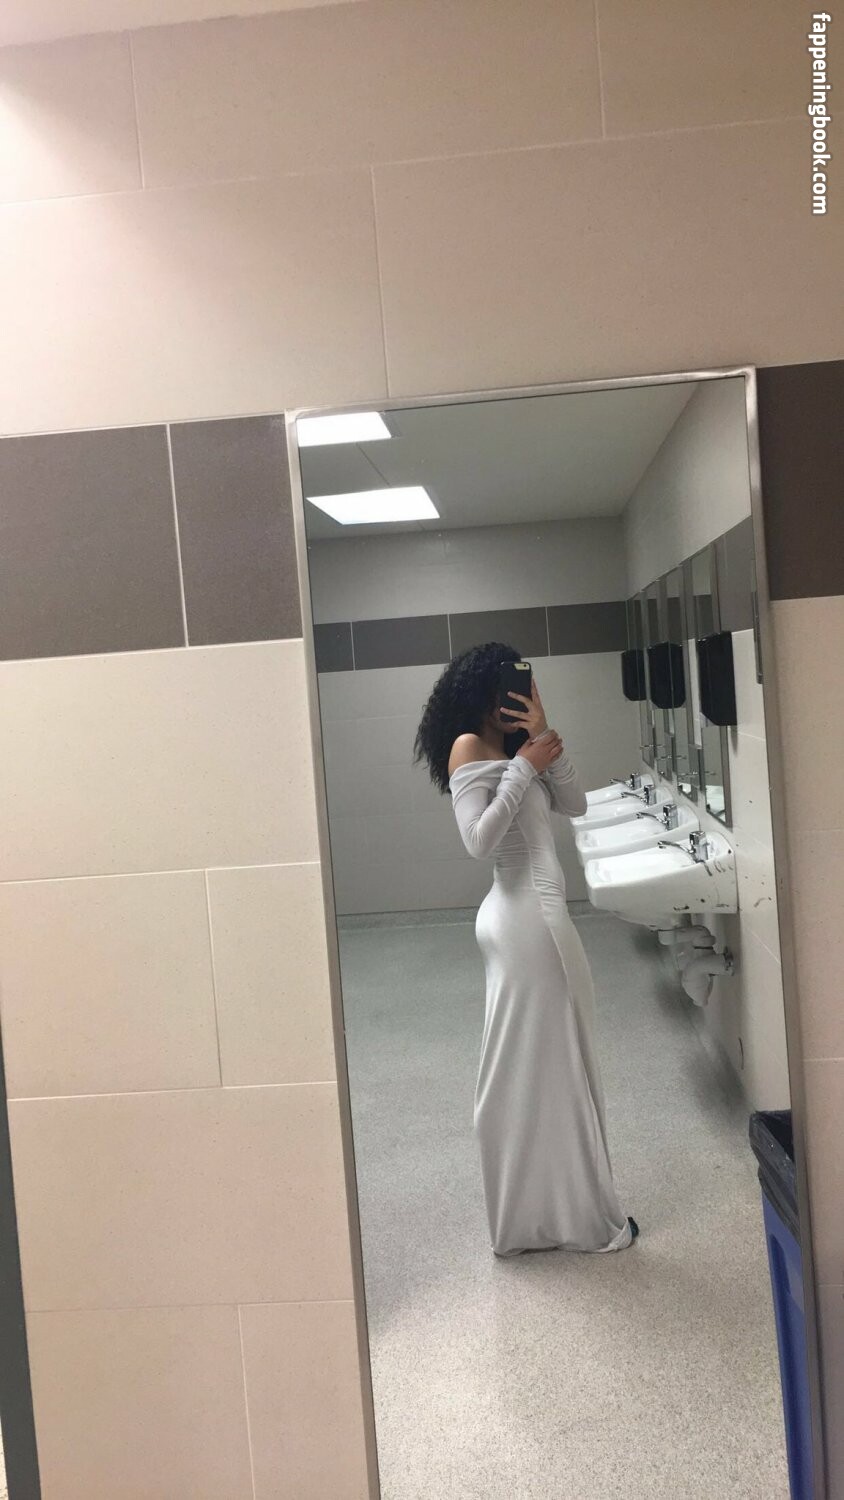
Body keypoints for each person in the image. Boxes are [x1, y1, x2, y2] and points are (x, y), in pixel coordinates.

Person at [414, 642, 638, 1257]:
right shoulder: (469, 746)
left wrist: (541, 738)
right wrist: (522, 768)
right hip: (526, 921)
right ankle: (564, 1219)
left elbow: (576, 803)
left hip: (533, 920)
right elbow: (478, 840)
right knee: (541, 1068)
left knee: (547, 1066)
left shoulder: (520, 746)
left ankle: (542, 1216)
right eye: (502, 692)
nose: (511, 701)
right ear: (477, 696)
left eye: (519, 689)